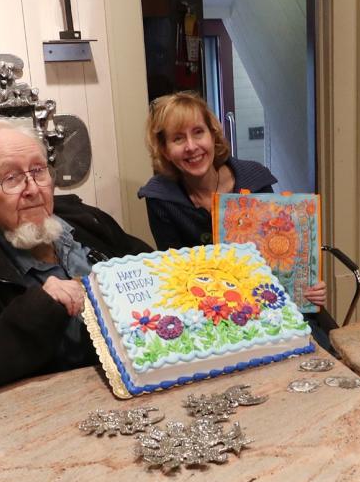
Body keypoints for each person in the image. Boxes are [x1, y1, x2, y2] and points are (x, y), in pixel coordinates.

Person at [0, 119, 150, 398]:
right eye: (10, 178)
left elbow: (155, 271)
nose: (33, 189)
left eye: (38, 171)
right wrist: (37, 310)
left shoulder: (87, 220)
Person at [138, 91, 330, 329]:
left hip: (275, 308)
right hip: (213, 318)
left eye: (198, 132)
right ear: (165, 150)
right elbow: (178, 277)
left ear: (213, 135)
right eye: (178, 139)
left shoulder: (254, 180)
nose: (191, 146)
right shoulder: (161, 199)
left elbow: (280, 256)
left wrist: (307, 286)